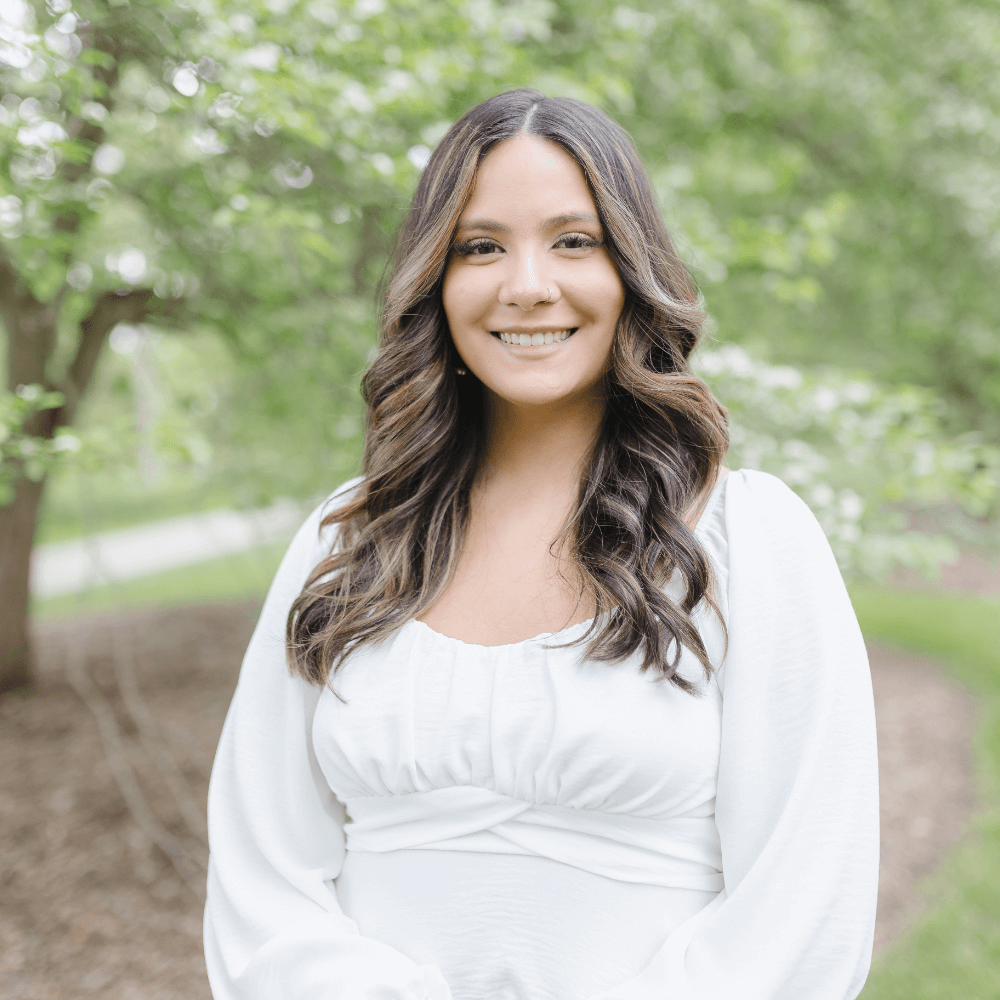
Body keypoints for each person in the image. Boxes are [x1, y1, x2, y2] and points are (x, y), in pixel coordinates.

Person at [203, 89, 879, 1000]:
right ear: (435, 282)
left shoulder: (748, 539)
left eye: (574, 241)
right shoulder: (350, 540)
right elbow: (261, 884)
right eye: (480, 246)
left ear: (632, 270)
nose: (525, 284)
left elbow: (803, 909)